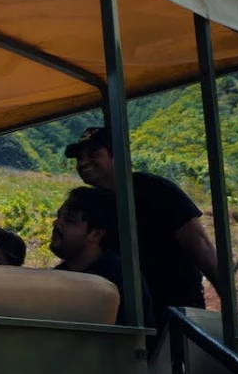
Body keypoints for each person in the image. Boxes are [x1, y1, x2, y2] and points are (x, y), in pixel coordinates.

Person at [65, 126, 220, 324]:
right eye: (79, 158)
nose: (83, 163)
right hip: (125, 318)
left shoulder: (156, 191)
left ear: (116, 155)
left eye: (93, 153)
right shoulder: (93, 204)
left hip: (174, 315)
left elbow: (201, 245)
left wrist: (230, 309)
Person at [49, 186, 155, 331]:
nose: (56, 224)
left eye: (69, 220)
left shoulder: (122, 280)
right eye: (58, 216)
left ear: (95, 234)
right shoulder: (59, 274)